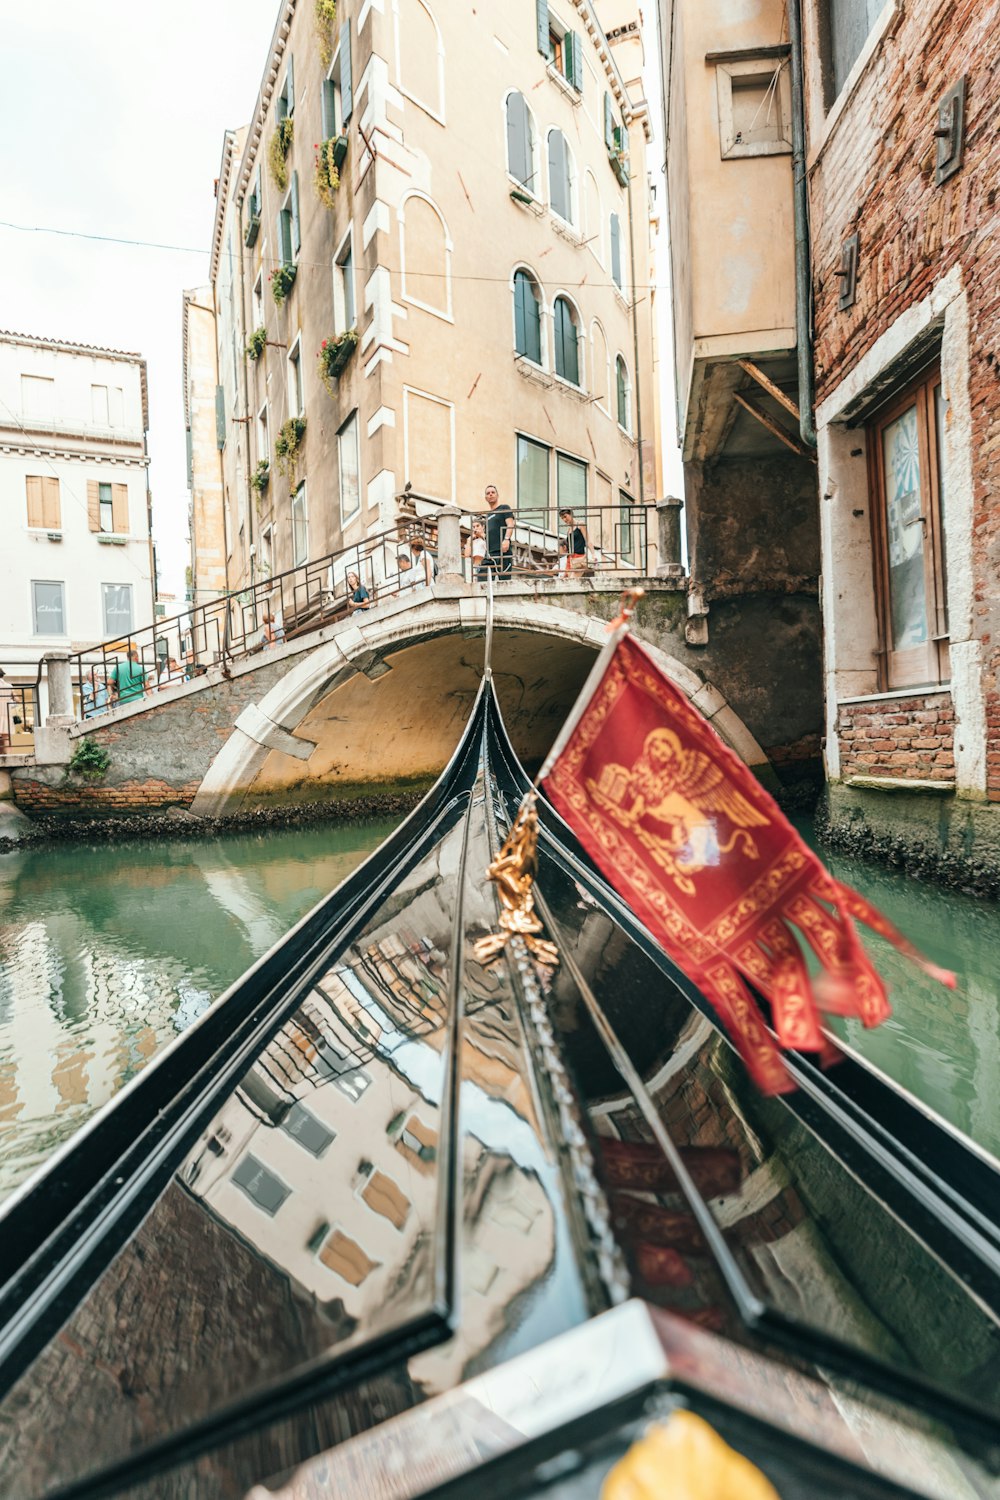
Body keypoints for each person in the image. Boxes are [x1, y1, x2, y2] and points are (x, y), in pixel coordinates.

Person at [483, 484, 514, 576]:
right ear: (486, 497)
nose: (490, 494)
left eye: (493, 492)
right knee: (483, 579)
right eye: (488, 493)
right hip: (489, 554)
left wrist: (507, 539)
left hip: (502, 552)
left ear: (497, 495)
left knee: (503, 581)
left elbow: (510, 524)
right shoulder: (487, 516)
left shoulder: (504, 508)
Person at [559, 507, 590, 573]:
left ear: (571, 514)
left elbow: (588, 540)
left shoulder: (580, 524)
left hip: (579, 557)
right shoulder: (569, 530)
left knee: (572, 579)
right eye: (562, 518)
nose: (564, 520)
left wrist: (593, 555)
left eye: (565, 516)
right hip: (570, 558)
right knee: (566, 580)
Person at [0, 669, 15, 753]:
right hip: (6, 712)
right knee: (6, 737)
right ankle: (9, 756)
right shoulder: (9, 685)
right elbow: (18, 699)